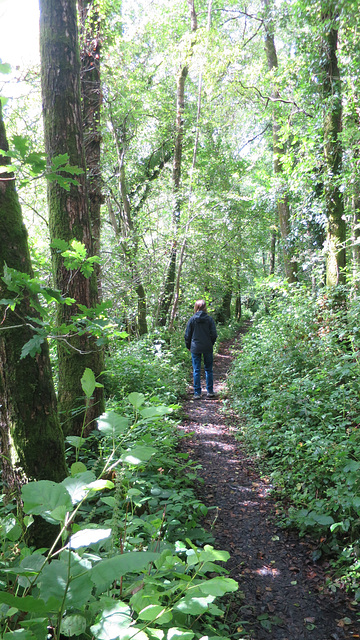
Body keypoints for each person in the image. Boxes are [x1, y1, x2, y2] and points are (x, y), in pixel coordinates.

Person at [184, 299, 217, 399]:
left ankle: (197, 393)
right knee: (208, 369)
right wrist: (210, 343)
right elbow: (214, 334)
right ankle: (210, 391)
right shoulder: (209, 319)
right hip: (207, 346)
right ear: (205, 307)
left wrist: (188, 346)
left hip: (195, 347)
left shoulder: (192, 319)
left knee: (196, 370)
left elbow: (187, 335)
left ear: (196, 307)